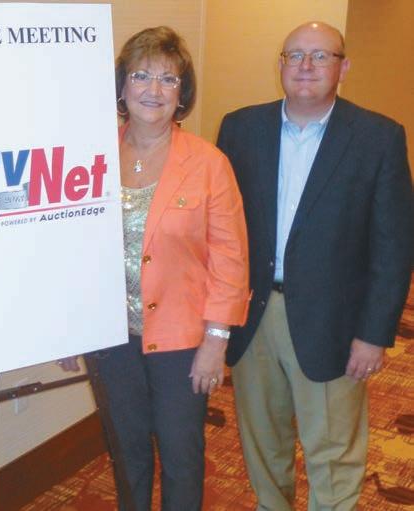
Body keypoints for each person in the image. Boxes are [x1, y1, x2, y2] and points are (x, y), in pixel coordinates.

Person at [217, 21, 413, 511]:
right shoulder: (240, 128)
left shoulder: (378, 137)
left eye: (321, 56)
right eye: (296, 55)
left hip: (334, 323)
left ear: (343, 68)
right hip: (253, 314)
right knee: (263, 442)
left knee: (333, 453)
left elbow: (393, 247)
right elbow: (220, 229)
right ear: (281, 65)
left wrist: (373, 334)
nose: (306, 66)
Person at [60, 26, 250, 511]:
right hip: (110, 337)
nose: (153, 89)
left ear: (182, 93)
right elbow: (71, 246)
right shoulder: (92, 155)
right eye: (141, 75)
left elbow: (230, 259)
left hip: (183, 342)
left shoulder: (209, 163)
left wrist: (216, 341)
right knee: (126, 451)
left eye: (168, 79)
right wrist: (70, 327)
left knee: (181, 454)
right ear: (122, 85)